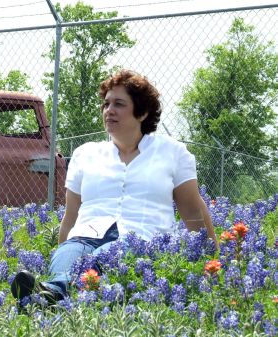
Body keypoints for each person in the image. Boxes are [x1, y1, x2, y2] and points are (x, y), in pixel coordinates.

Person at [11, 69, 218, 304]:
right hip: (85, 236)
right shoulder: (85, 154)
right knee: (69, 255)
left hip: (141, 238)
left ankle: (49, 295)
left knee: (104, 257)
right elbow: (71, 214)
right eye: (106, 104)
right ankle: (52, 293)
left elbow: (192, 210)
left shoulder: (172, 153)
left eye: (119, 104)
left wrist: (212, 261)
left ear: (142, 112)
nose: (109, 110)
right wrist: (64, 247)